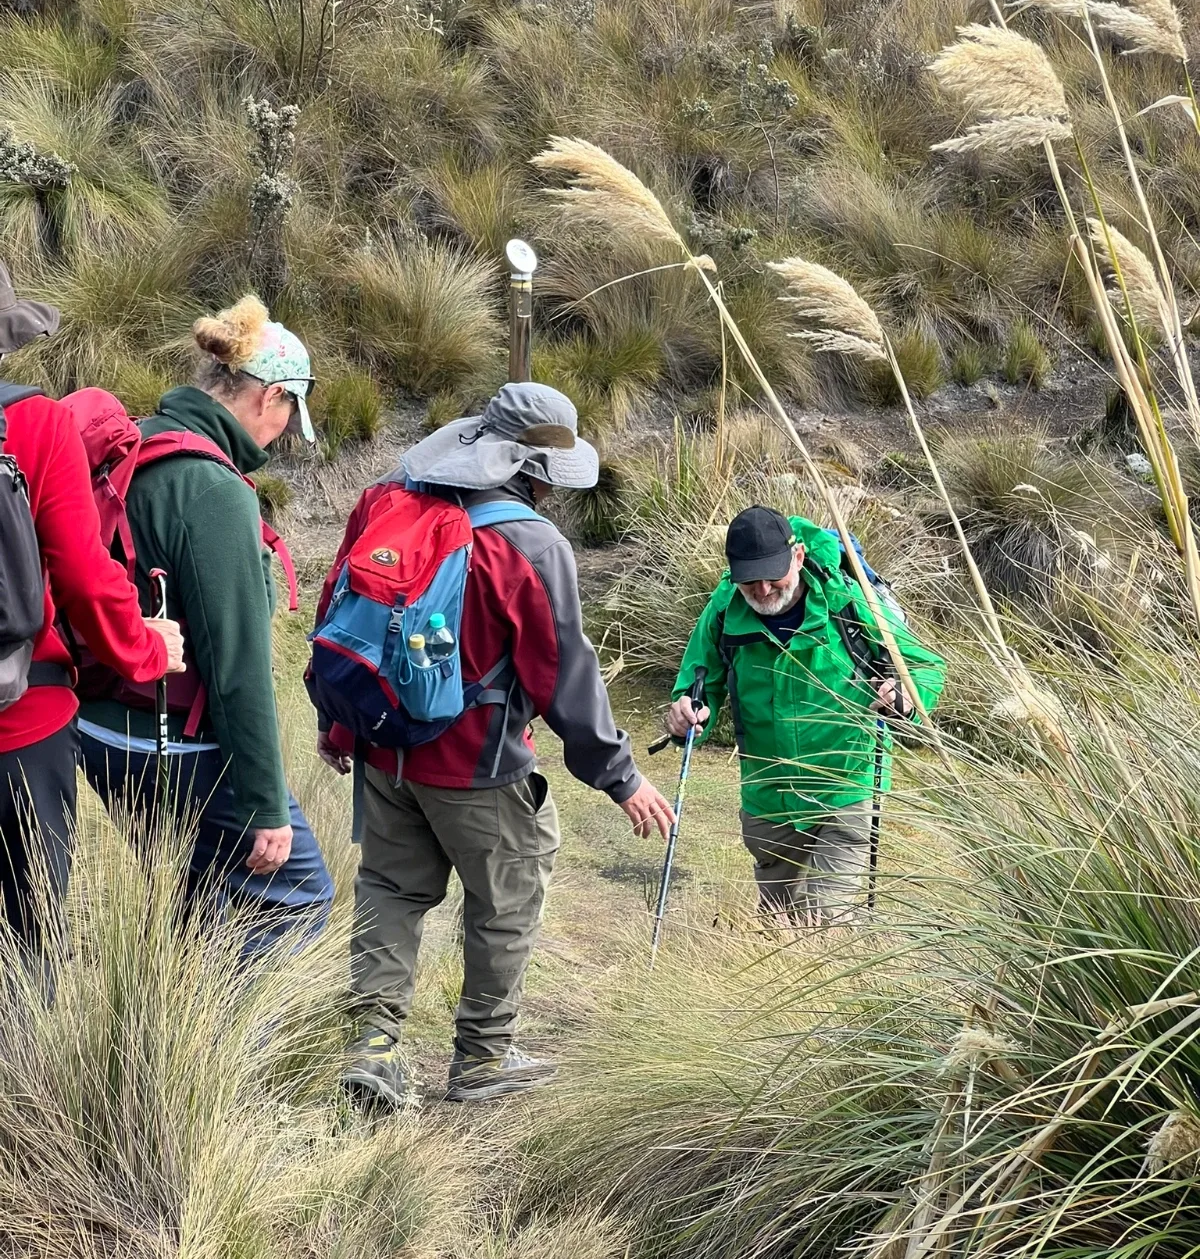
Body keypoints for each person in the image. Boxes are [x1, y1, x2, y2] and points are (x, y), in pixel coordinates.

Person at [316, 381, 675, 1107]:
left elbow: (340, 614)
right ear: (537, 473)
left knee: (389, 890)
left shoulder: (389, 502)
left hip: (386, 751)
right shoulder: (531, 544)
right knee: (507, 899)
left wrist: (341, 723)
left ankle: (374, 1048)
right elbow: (563, 674)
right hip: (478, 766)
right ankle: (482, 1057)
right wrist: (622, 777)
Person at [77, 295, 333, 953]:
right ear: (268, 396)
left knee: (195, 894)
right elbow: (238, 668)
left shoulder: (141, 444)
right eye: (286, 414)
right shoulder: (213, 492)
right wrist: (266, 805)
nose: (280, 433)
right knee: (299, 896)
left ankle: (165, 1033)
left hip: (99, 725)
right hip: (172, 744)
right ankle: (227, 1047)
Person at [0, 266, 185, 948]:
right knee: (31, 938)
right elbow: (84, 576)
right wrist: (147, 648)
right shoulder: (37, 424)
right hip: (23, 721)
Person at [665, 506, 944, 927]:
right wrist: (687, 717)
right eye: (748, 580)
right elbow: (696, 684)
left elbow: (924, 666)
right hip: (768, 798)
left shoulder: (848, 600)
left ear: (796, 557)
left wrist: (907, 696)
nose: (761, 590)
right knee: (777, 924)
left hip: (845, 788)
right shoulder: (723, 609)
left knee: (824, 923)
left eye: (772, 575)